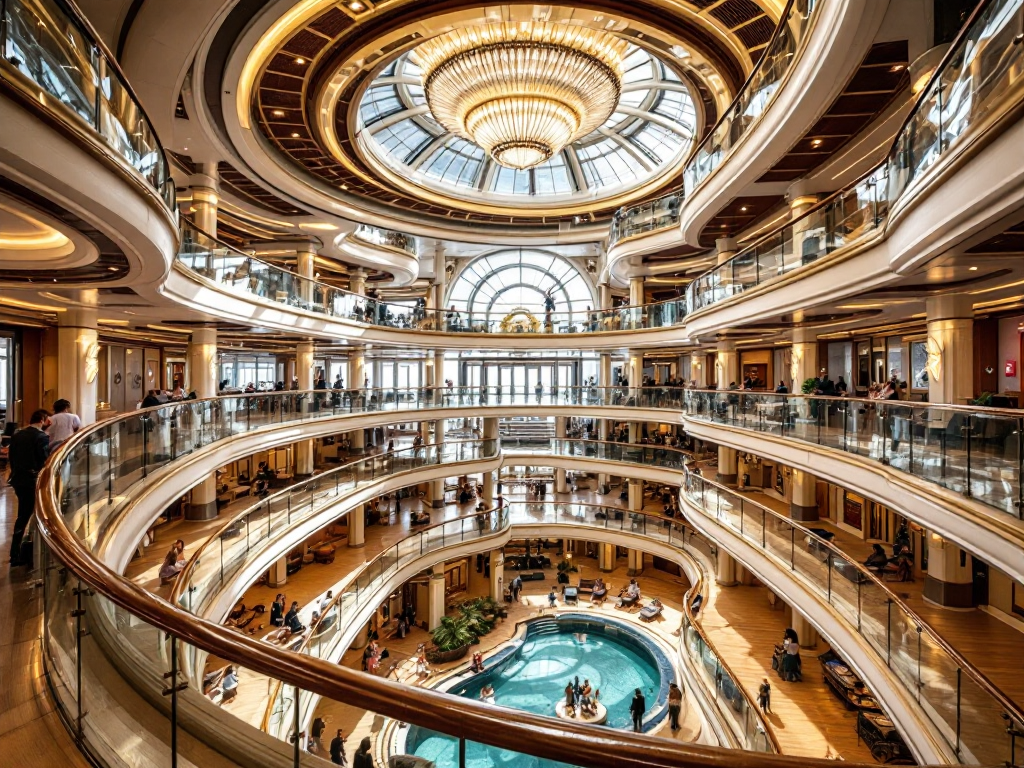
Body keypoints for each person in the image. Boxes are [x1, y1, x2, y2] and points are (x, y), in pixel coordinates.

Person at [8, 409, 51, 567]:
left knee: (22, 515)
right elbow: (45, 460)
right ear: (42, 419)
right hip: (33, 480)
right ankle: (22, 554)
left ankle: (16, 552)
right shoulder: (41, 437)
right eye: (48, 420)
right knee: (32, 514)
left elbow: (12, 458)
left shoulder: (18, 435)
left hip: (18, 479)